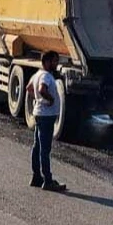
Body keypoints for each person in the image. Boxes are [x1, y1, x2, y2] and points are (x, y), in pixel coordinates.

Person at [27, 50, 67, 192]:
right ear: (48, 62)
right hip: (46, 116)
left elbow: (29, 88)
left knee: (37, 146)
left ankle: (36, 176)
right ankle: (48, 180)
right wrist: (49, 99)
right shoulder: (47, 76)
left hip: (39, 113)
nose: (57, 64)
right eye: (55, 61)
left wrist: (38, 100)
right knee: (45, 149)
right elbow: (41, 89)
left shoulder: (37, 74)